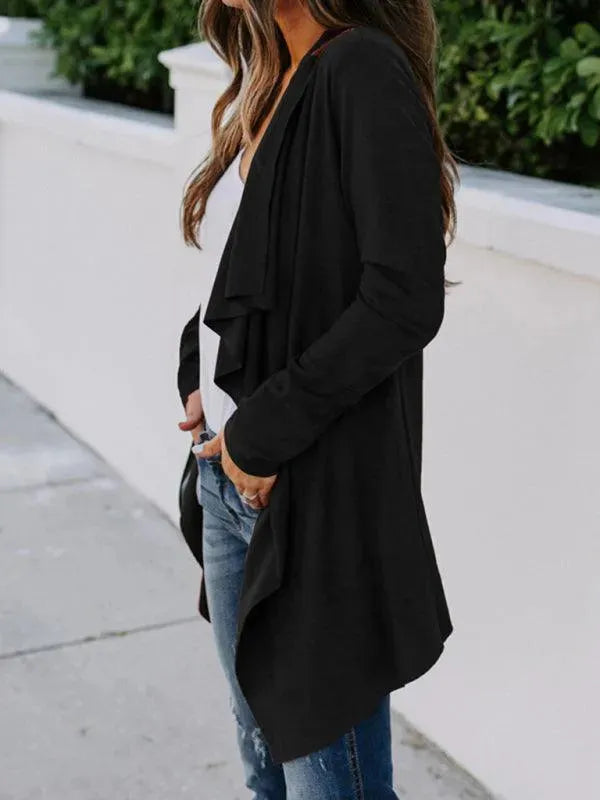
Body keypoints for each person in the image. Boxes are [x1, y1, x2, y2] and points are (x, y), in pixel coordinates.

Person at [176, 1, 458, 797]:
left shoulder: (360, 70)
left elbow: (403, 299)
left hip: (308, 492)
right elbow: (244, 270)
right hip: (229, 486)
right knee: (266, 776)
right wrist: (198, 370)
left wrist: (259, 432)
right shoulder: (272, 76)